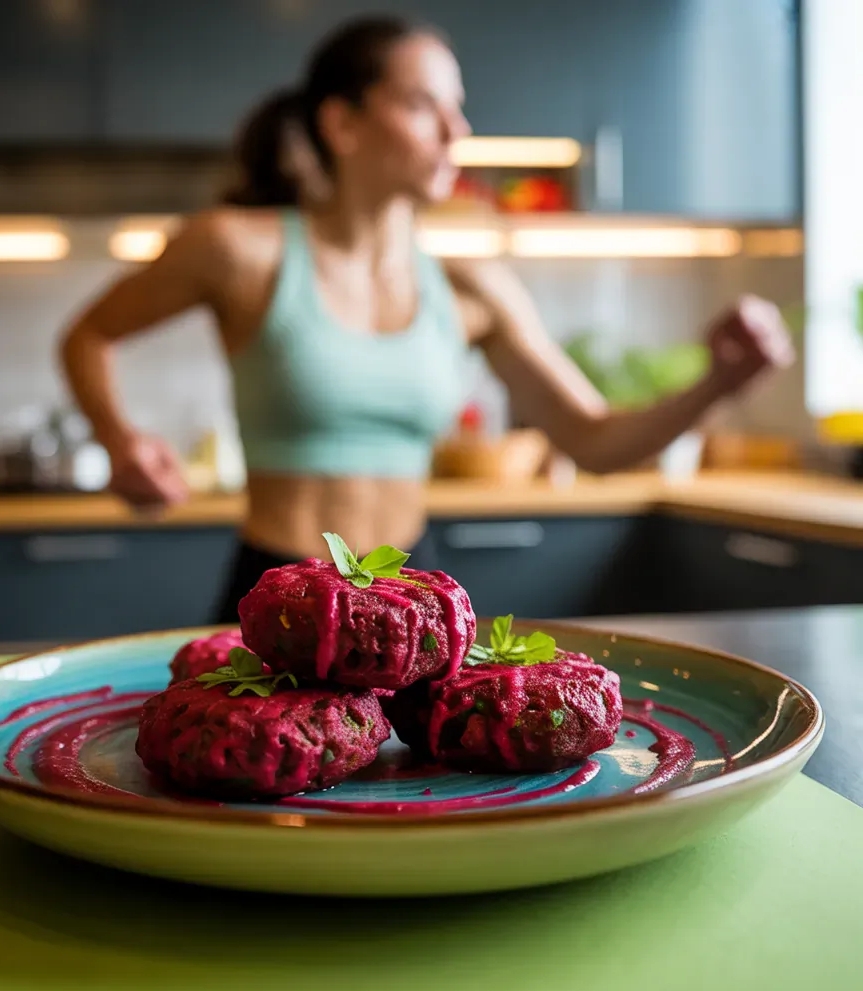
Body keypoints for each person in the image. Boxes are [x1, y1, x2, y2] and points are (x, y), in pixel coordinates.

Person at [59, 15, 794, 624]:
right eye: (422, 105)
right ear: (343, 124)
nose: (457, 129)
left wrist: (719, 382)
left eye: (458, 106)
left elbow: (595, 440)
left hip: (419, 599)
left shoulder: (472, 288)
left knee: (426, 797)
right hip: (279, 594)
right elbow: (88, 335)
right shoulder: (237, 249)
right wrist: (120, 441)